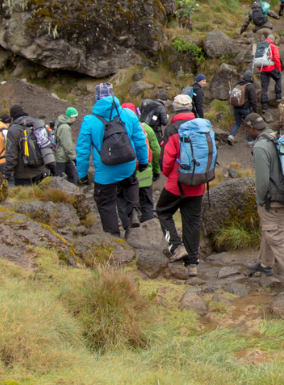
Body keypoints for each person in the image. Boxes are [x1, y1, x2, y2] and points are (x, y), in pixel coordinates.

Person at [76, 83, 150, 238]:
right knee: (131, 183)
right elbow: (140, 141)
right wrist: (143, 162)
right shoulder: (128, 115)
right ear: (113, 95)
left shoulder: (89, 120)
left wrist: (82, 175)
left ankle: (113, 237)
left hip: (105, 171)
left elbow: (82, 151)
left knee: (106, 203)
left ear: (97, 98)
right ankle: (133, 211)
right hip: (128, 165)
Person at [242, 112, 284, 290]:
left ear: (251, 128)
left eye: (247, 129)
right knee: (269, 229)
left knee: (276, 234)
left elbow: (262, 181)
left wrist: (261, 200)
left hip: (272, 199)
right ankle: (265, 264)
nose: (247, 132)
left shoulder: (261, 147)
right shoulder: (275, 137)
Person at [158, 94, 207, 275]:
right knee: (192, 222)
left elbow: (166, 160)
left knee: (163, 211)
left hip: (177, 182)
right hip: (199, 182)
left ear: (175, 108)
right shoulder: (202, 125)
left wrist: (167, 174)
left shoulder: (172, 129)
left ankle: (177, 247)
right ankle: (192, 264)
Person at [120, 103, 162, 235]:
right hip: (144, 170)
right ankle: (149, 231)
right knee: (147, 201)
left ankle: (129, 231)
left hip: (126, 169)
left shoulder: (118, 128)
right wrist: (156, 171)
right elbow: (155, 151)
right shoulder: (147, 129)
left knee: (128, 199)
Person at [3, 105, 55, 185]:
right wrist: (53, 168)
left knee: (25, 197)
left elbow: (11, 156)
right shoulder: (38, 124)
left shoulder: (13, 130)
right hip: (41, 171)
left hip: (23, 174)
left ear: (12, 117)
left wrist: (5, 176)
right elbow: (47, 144)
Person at [227, 69, 258, 146]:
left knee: (237, 123)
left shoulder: (237, 85)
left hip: (236, 108)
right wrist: (255, 110)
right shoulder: (250, 87)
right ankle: (250, 142)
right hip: (245, 109)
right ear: (251, 78)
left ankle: (231, 136)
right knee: (250, 124)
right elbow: (253, 100)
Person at [53, 107, 80, 185]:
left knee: (72, 175)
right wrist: (73, 157)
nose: (76, 119)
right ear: (72, 117)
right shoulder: (65, 127)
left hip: (63, 156)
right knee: (59, 179)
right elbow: (67, 145)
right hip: (61, 157)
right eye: (76, 117)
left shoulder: (60, 124)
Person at [258, 33, 283, 106]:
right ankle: (278, 97)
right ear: (272, 40)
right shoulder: (273, 46)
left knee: (264, 87)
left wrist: (260, 69)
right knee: (278, 78)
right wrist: (278, 69)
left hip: (262, 69)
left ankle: (264, 105)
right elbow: (276, 59)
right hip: (271, 67)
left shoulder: (261, 46)